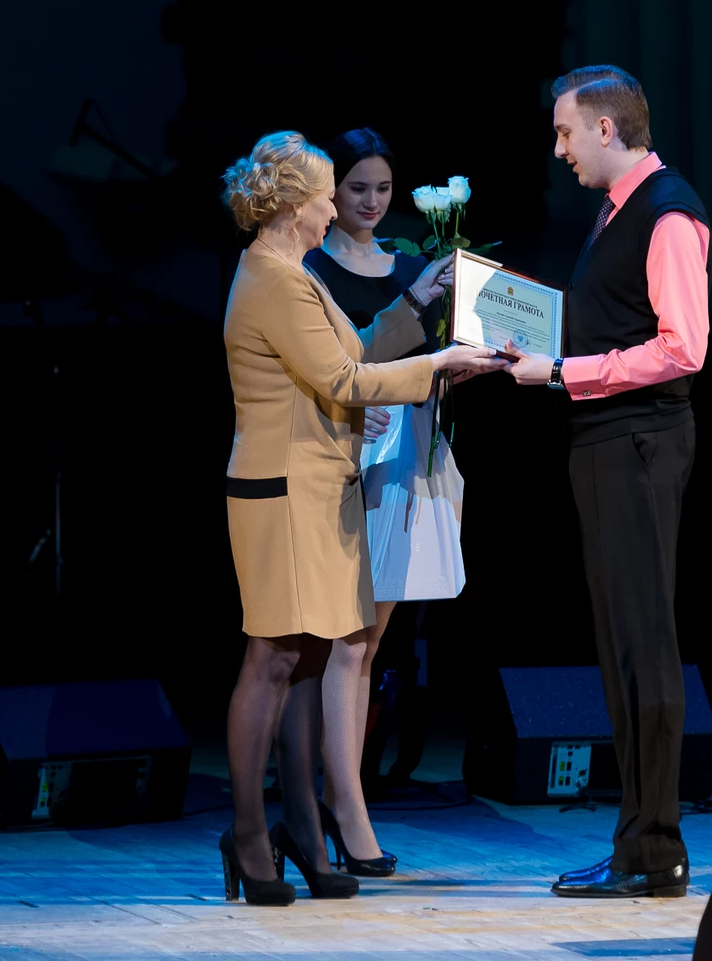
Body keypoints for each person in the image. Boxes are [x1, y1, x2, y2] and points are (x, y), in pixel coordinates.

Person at [216, 131, 505, 905]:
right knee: (272, 658)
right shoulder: (276, 279)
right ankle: (248, 836)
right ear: (295, 205)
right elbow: (343, 380)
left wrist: (425, 328)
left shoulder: (293, 275)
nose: (332, 208)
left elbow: (358, 354)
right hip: (282, 492)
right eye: (324, 195)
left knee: (311, 660)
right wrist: (437, 364)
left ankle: (305, 834)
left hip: (320, 487)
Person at [505, 66, 712, 899]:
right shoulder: (621, 209)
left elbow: (681, 349)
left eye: (564, 132)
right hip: (607, 440)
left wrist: (562, 371)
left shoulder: (666, 212)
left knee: (642, 645)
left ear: (603, 128)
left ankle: (653, 849)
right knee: (621, 645)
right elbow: (612, 317)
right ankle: (639, 843)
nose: (558, 150)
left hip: (638, 441)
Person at [303, 127, 465, 877]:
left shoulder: (411, 266)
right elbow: (321, 367)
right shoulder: (310, 269)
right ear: (330, 191)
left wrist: (460, 366)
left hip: (402, 457)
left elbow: (429, 366)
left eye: (383, 189)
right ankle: (339, 806)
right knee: (338, 641)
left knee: (368, 642)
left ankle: (343, 798)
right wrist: (347, 403)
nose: (370, 201)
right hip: (338, 460)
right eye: (357, 188)